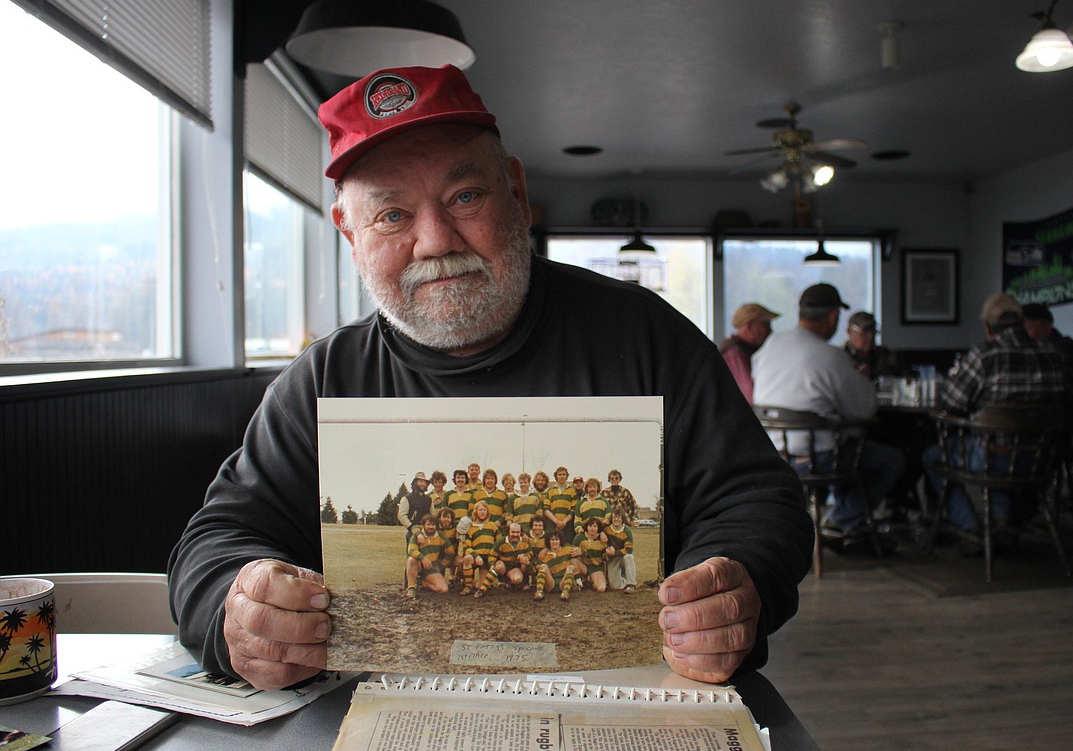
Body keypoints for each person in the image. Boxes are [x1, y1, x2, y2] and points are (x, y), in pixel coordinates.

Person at [168, 64, 811, 690]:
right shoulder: (323, 379)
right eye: (392, 215)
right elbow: (218, 537)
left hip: (628, 703)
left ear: (517, 192)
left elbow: (756, 499)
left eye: (465, 197)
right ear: (348, 231)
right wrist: (238, 610)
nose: (436, 240)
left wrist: (733, 584)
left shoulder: (645, 335)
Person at [752, 283, 905, 537]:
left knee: (850, 451)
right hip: (817, 458)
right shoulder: (830, 356)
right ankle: (842, 519)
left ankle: (843, 519)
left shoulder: (770, 345)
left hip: (774, 454)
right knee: (891, 460)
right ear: (834, 316)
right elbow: (865, 408)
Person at [923, 293, 1071, 554]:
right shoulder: (1053, 355)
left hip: (995, 456)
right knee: (1000, 445)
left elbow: (952, 402)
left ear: (988, 326)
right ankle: (1003, 524)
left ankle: (968, 526)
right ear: (1022, 322)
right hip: (1041, 458)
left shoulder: (985, 355)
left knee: (934, 456)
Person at [1021, 302, 1073, 450]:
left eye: (1027, 328)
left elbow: (1064, 395)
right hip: (1060, 423)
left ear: (1043, 325)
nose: (1024, 334)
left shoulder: (1065, 348)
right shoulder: (1043, 350)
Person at [718, 303, 779, 402]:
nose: (770, 330)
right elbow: (750, 395)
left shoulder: (744, 350)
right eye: (765, 324)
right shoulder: (735, 354)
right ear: (749, 326)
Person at [404, 514, 454, 598]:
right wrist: (423, 558)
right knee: (411, 559)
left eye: (433, 525)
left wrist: (441, 566)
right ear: (423, 525)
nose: (431, 527)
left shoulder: (441, 537)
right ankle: (411, 587)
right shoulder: (417, 536)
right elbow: (411, 550)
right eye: (428, 524)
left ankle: (423, 583)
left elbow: (450, 552)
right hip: (419, 565)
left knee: (443, 589)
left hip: (431, 568)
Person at [842, 311, 903, 380]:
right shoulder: (840, 357)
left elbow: (900, 381)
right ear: (849, 331)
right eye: (865, 331)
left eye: (873, 331)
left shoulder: (886, 355)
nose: (870, 336)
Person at [604, 508, 638, 593]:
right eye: (614, 518)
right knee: (615, 586)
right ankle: (624, 580)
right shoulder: (607, 530)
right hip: (612, 558)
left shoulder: (627, 530)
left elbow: (629, 549)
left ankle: (631, 584)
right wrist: (608, 551)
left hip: (623, 556)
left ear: (622, 519)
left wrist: (615, 552)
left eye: (618, 518)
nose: (616, 520)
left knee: (629, 557)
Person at [395, 472, 432, 544]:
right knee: (412, 554)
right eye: (420, 481)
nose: (423, 484)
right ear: (415, 483)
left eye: (424, 482)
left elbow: (433, 514)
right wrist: (412, 528)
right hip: (412, 533)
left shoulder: (429, 499)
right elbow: (402, 516)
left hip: (427, 532)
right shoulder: (406, 498)